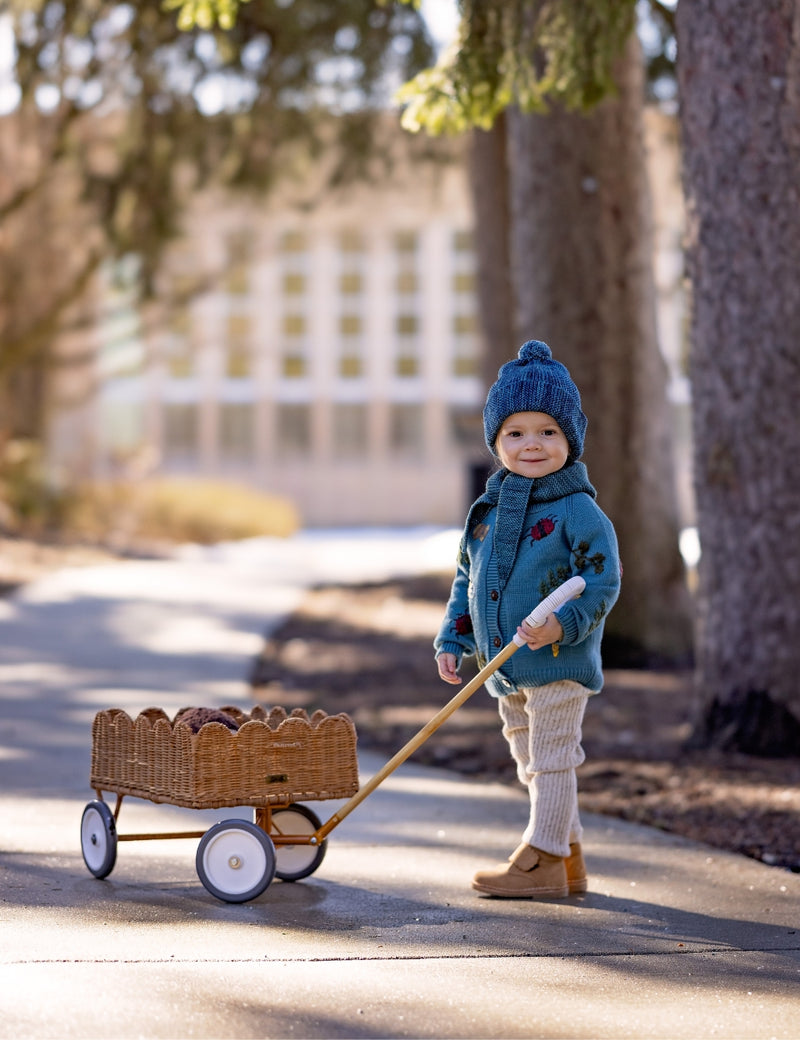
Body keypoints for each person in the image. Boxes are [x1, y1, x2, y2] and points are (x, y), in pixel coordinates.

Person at [434, 339, 621, 898]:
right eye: (516, 433)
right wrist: (454, 639)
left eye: (547, 431)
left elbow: (601, 580)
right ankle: (569, 855)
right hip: (505, 665)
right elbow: (468, 578)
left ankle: (541, 859)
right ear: (496, 442)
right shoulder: (488, 511)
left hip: (558, 660)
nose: (531, 444)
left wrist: (563, 626)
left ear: (570, 439)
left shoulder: (578, 509)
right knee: (530, 762)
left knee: (552, 758)